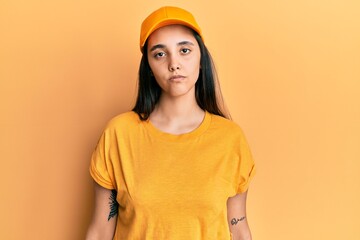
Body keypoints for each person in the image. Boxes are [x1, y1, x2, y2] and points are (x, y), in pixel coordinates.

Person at [86, 6, 256, 240]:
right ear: (148, 67)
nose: (174, 63)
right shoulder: (118, 134)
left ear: (201, 59)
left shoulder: (230, 138)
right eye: (160, 54)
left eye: (184, 50)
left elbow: (238, 229)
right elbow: (100, 230)